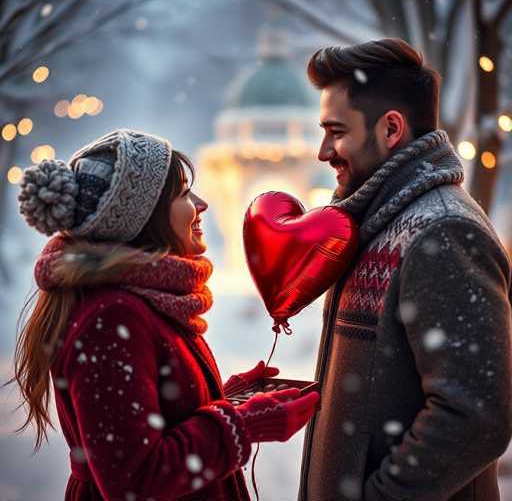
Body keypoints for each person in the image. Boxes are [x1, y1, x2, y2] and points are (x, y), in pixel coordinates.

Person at [9, 129, 319, 501]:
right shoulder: (110, 319)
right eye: (184, 194)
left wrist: (225, 399)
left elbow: (150, 422)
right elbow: (135, 481)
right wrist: (240, 425)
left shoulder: (148, 298)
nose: (202, 205)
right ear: (144, 216)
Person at [298, 38, 512, 501]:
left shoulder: (443, 232)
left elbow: (475, 417)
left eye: (336, 132)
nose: (323, 151)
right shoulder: (379, 221)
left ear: (391, 129)